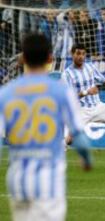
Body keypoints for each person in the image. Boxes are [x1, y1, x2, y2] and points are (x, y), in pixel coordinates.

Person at [0, 32, 92, 221]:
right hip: (48, 182)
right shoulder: (61, 91)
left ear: (22, 58)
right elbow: (79, 137)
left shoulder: (6, 93)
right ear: (50, 59)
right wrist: (86, 159)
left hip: (17, 182)